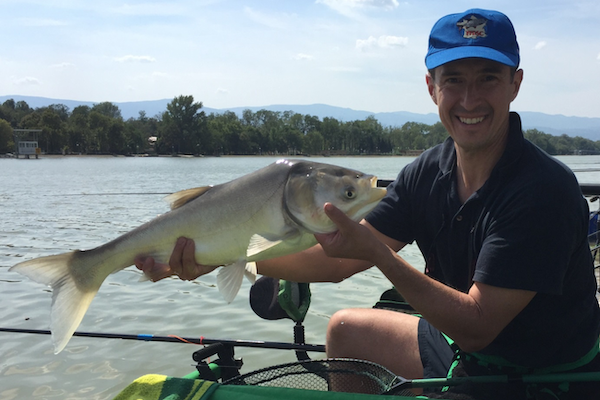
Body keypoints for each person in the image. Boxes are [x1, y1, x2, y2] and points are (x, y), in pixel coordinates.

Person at [136, 9, 600, 399]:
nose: (469, 98)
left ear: (515, 84)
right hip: (462, 351)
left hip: (548, 376)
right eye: (453, 80)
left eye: (488, 79)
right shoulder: (427, 172)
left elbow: (479, 325)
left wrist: (377, 254)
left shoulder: (543, 190)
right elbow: (334, 259)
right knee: (345, 331)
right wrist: (230, 257)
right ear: (431, 87)